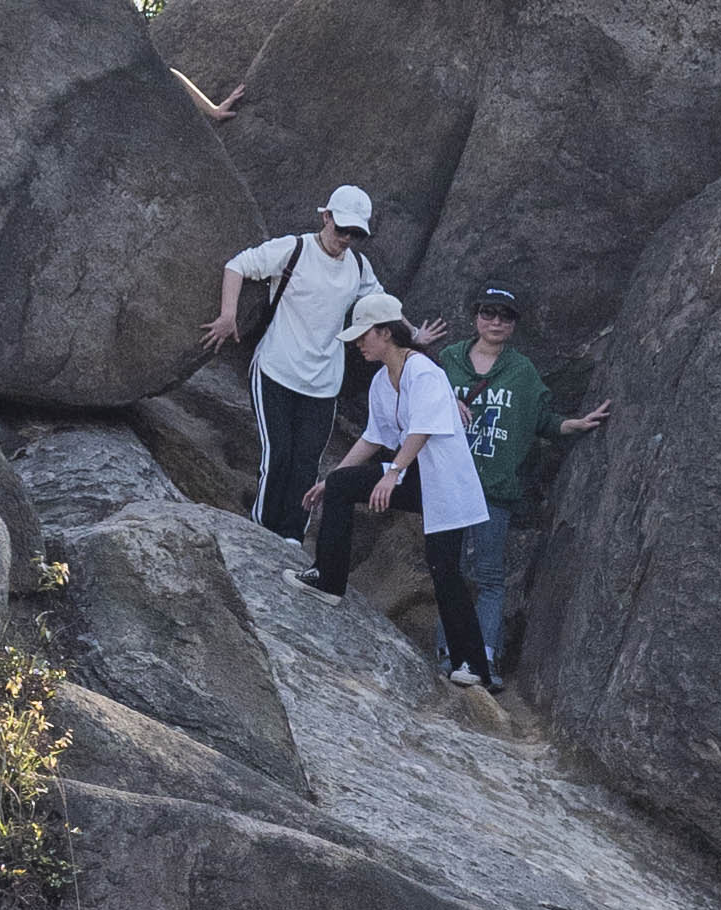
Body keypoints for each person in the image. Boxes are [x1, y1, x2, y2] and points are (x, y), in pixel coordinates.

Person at [312, 305, 499, 686]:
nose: (359, 344)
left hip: (444, 484)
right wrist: (331, 478)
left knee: (444, 570)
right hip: (414, 476)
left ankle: (476, 667)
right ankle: (328, 579)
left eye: (364, 336)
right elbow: (373, 436)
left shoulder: (423, 372)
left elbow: (424, 429)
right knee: (343, 487)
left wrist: (392, 474)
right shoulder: (383, 381)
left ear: (385, 333)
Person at [452, 279, 604, 693]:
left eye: (505, 316)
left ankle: (481, 656)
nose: (495, 322)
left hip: (494, 488)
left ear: (514, 324)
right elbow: (413, 397)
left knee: (488, 575)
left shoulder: (521, 371)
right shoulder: (449, 360)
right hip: (448, 483)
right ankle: (450, 652)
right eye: (488, 312)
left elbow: (544, 420)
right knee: (449, 572)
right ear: (475, 316)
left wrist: (577, 424)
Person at [205, 185, 382, 530]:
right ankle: (262, 529)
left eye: (355, 233)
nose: (346, 237)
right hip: (277, 369)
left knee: (307, 462)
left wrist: (414, 336)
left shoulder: (359, 266)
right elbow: (238, 265)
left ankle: (291, 537)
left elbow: (380, 303)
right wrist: (229, 315)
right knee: (278, 454)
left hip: (325, 382)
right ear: (325, 217)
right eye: (341, 228)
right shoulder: (294, 249)